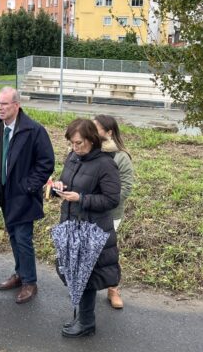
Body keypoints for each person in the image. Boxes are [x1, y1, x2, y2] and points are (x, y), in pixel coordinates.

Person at [0, 86, 54, 304]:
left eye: (4, 104)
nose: (0, 107)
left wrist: (27, 187)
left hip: (23, 196)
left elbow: (46, 163)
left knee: (23, 239)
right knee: (13, 237)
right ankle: (20, 274)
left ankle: (30, 282)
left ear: (16, 105)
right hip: (2, 194)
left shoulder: (34, 130)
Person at [52, 118, 121, 338]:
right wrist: (58, 188)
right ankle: (82, 318)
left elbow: (112, 200)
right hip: (71, 225)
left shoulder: (105, 164)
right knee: (75, 273)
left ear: (92, 140)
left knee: (87, 277)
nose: (75, 147)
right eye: (72, 143)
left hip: (92, 230)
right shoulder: (73, 157)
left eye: (79, 143)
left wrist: (81, 198)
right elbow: (67, 183)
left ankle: (87, 323)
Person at [94, 114, 134, 309]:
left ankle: (113, 289)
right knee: (89, 250)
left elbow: (126, 187)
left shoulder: (121, 156)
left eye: (96, 128)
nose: (92, 131)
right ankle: (88, 287)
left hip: (111, 213)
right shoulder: (89, 151)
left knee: (107, 253)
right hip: (89, 211)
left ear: (109, 133)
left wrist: (105, 201)